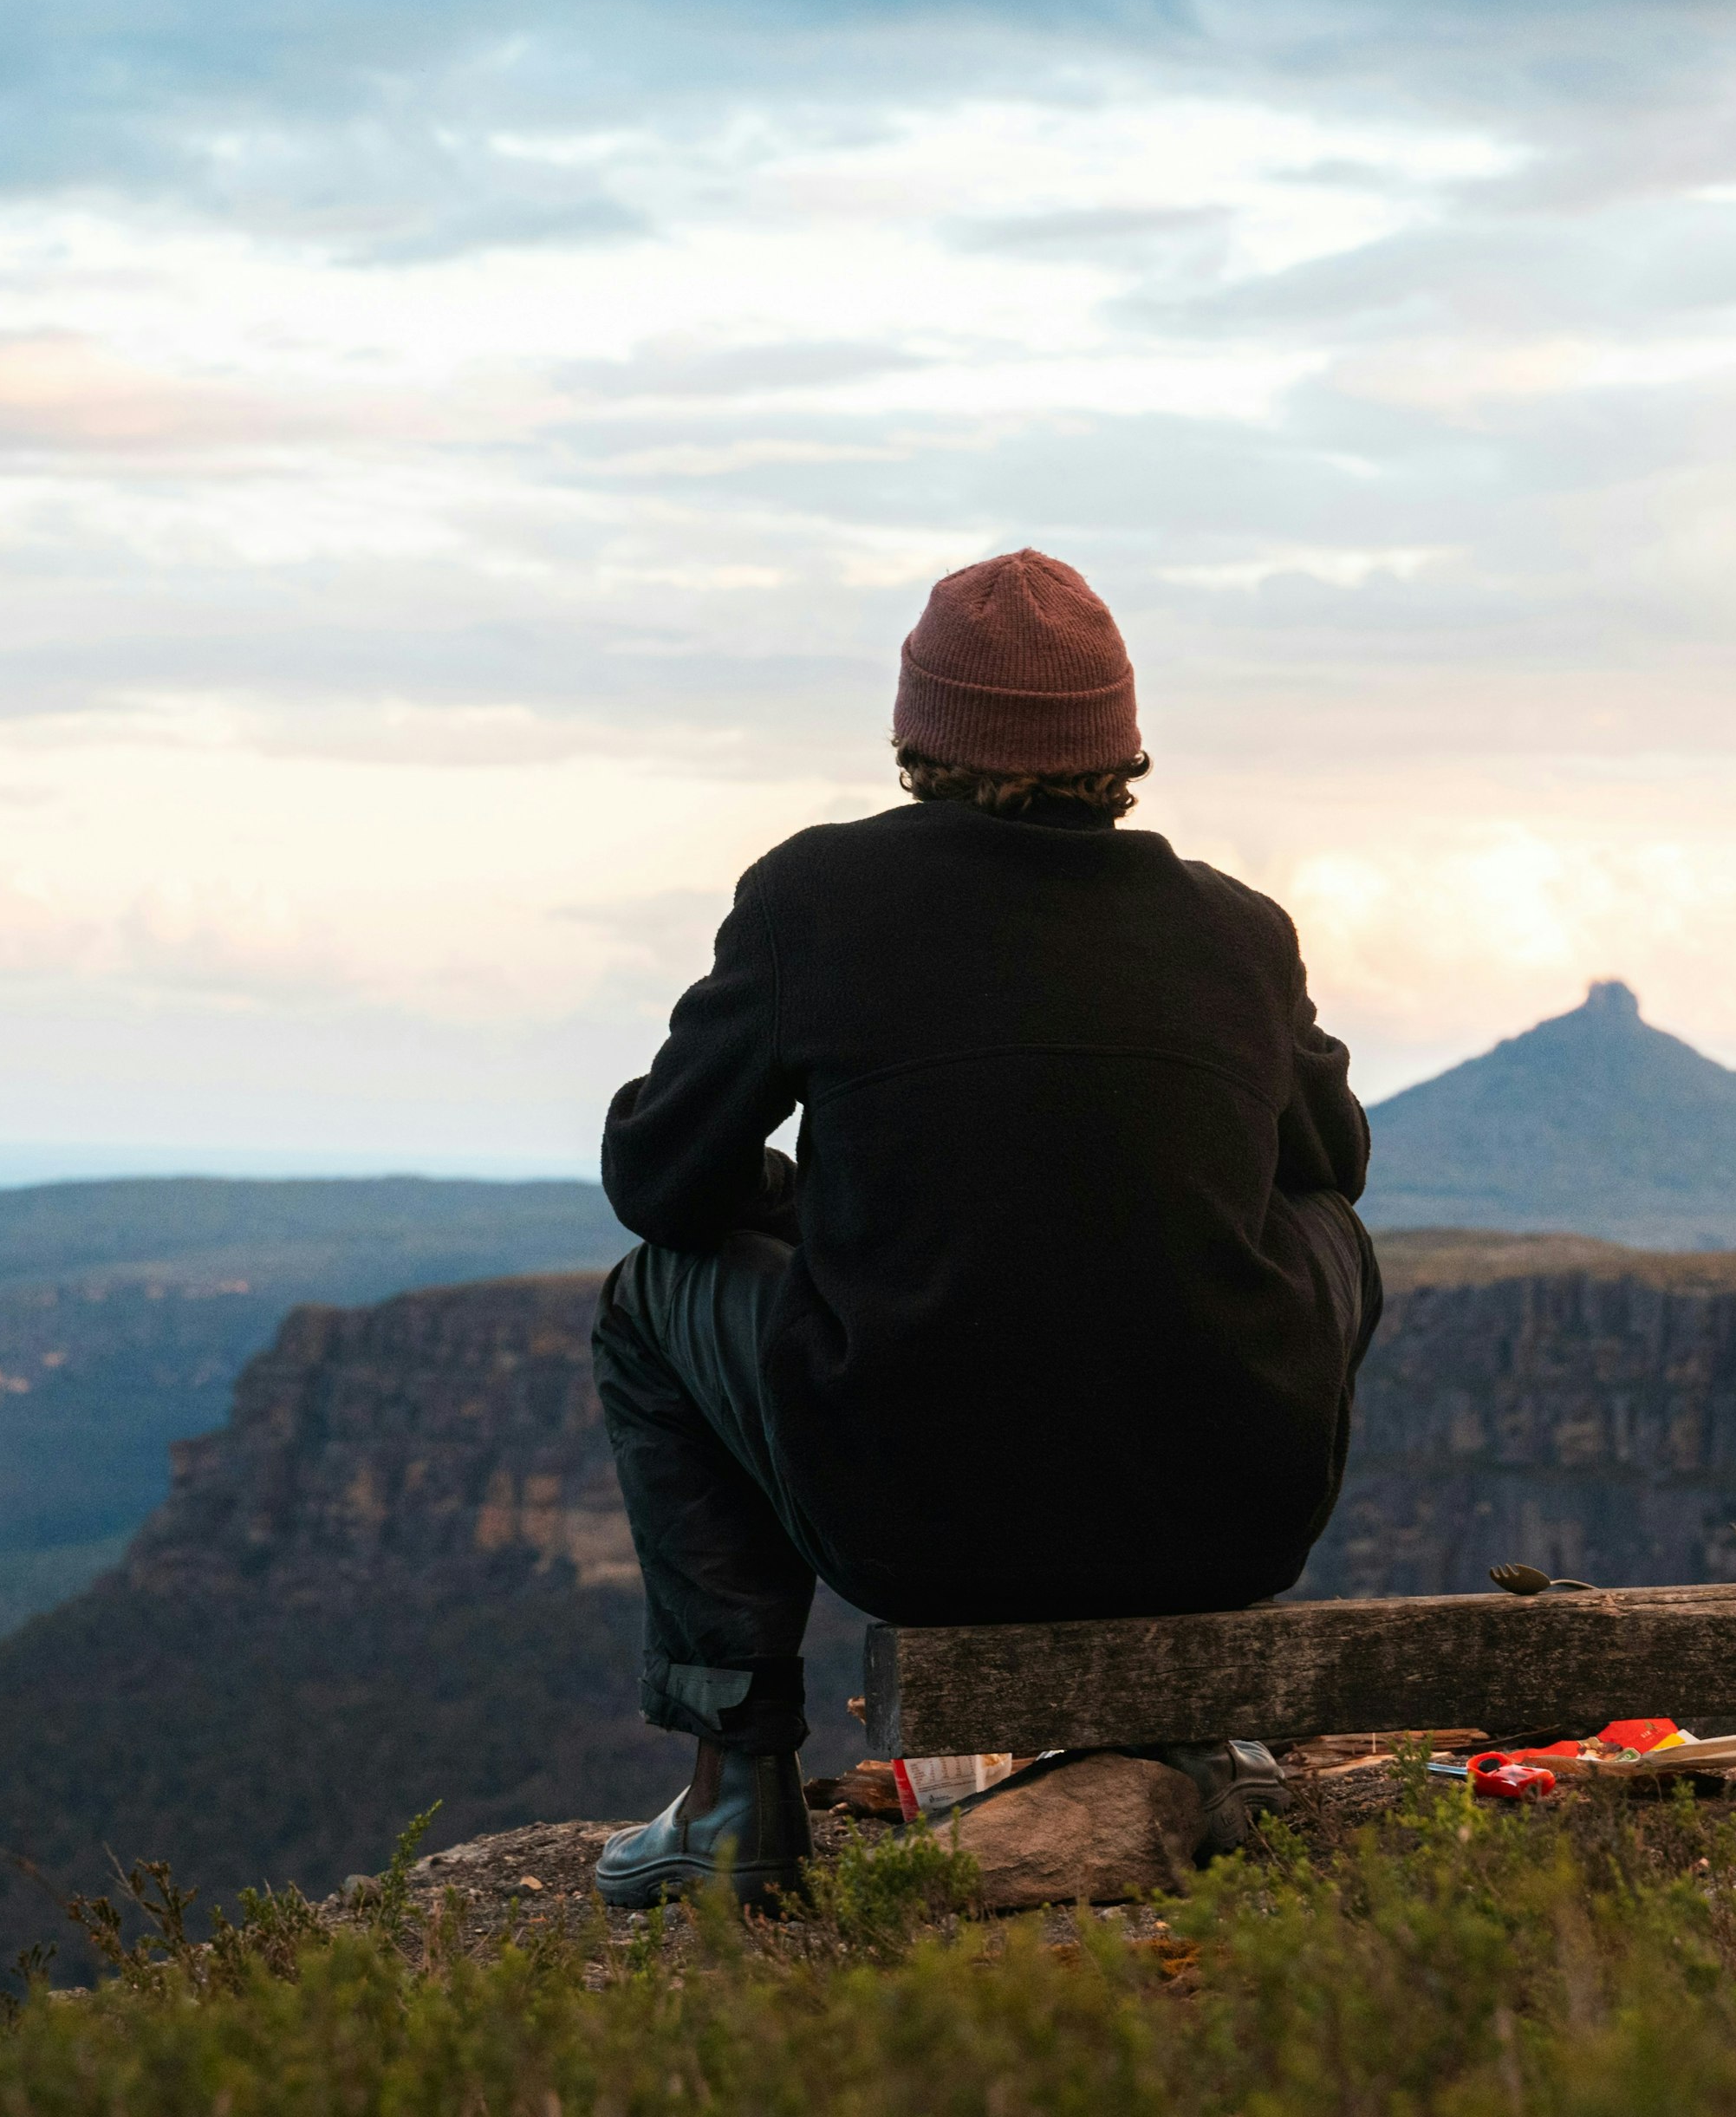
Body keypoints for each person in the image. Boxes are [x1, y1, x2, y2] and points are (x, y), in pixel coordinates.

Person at [587, 549, 1381, 1905]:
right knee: (1325, 1227)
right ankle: (1183, 1712)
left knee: (643, 1297)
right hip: (1226, 1523)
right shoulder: (1237, 931)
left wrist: (805, 1202)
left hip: (914, 1523)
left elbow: (660, 1186)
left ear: (917, 732)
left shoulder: (815, 901)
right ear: (1121, 742)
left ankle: (736, 1791)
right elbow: (1333, 1163)